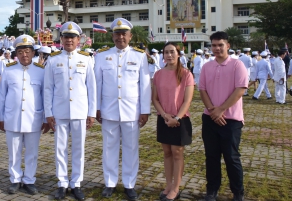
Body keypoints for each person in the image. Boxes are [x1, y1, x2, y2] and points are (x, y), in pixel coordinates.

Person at [94, 18, 151, 201]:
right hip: (109, 110)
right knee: (109, 148)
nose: (120, 37)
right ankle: (110, 182)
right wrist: (96, 108)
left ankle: (129, 184)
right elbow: (97, 84)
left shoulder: (139, 56)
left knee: (131, 148)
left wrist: (145, 110)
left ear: (130, 36)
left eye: (123, 34)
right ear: (112, 36)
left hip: (131, 111)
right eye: (117, 34)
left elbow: (145, 85)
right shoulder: (102, 55)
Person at [44, 22, 96, 201]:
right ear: (61, 39)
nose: (69, 40)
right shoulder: (53, 59)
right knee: (60, 148)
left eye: (72, 37)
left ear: (78, 39)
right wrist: (48, 113)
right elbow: (48, 88)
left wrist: (91, 113)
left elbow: (92, 88)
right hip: (59, 111)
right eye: (66, 37)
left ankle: (76, 182)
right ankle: (62, 182)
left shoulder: (86, 59)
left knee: (78, 149)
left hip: (80, 111)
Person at [199, 31, 248, 201]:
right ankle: (212, 190)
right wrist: (213, 111)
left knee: (231, 157)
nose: (217, 48)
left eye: (220, 45)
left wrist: (221, 110)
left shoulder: (237, 65)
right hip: (210, 118)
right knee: (211, 156)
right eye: (214, 45)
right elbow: (202, 90)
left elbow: (240, 89)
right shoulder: (206, 66)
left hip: (232, 119)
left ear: (228, 45)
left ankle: (238, 192)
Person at [0, 34, 50, 195]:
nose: (24, 55)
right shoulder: (9, 70)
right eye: (20, 52)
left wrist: (46, 118)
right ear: (16, 53)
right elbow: (1, 96)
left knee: (32, 152)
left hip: (34, 118)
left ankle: (29, 180)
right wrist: (0, 118)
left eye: (27, 51)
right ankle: (15, 179)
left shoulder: (41, 71)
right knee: (13, 152)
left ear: (33, 53)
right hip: (12, 118)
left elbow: (45, 95)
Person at [152, 42, 194, 201]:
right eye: (166, 52)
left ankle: (176, 188)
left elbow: (187, 101)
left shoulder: (186, 74)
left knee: (177, 153)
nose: (169, 55)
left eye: (172, 52)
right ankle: (168, 184)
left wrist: (176, 118)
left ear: (178, 53)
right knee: (167, 152)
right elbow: (154, 98)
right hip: (163, 118)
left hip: (180, 119)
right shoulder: (158, 74)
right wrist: (164, 116)